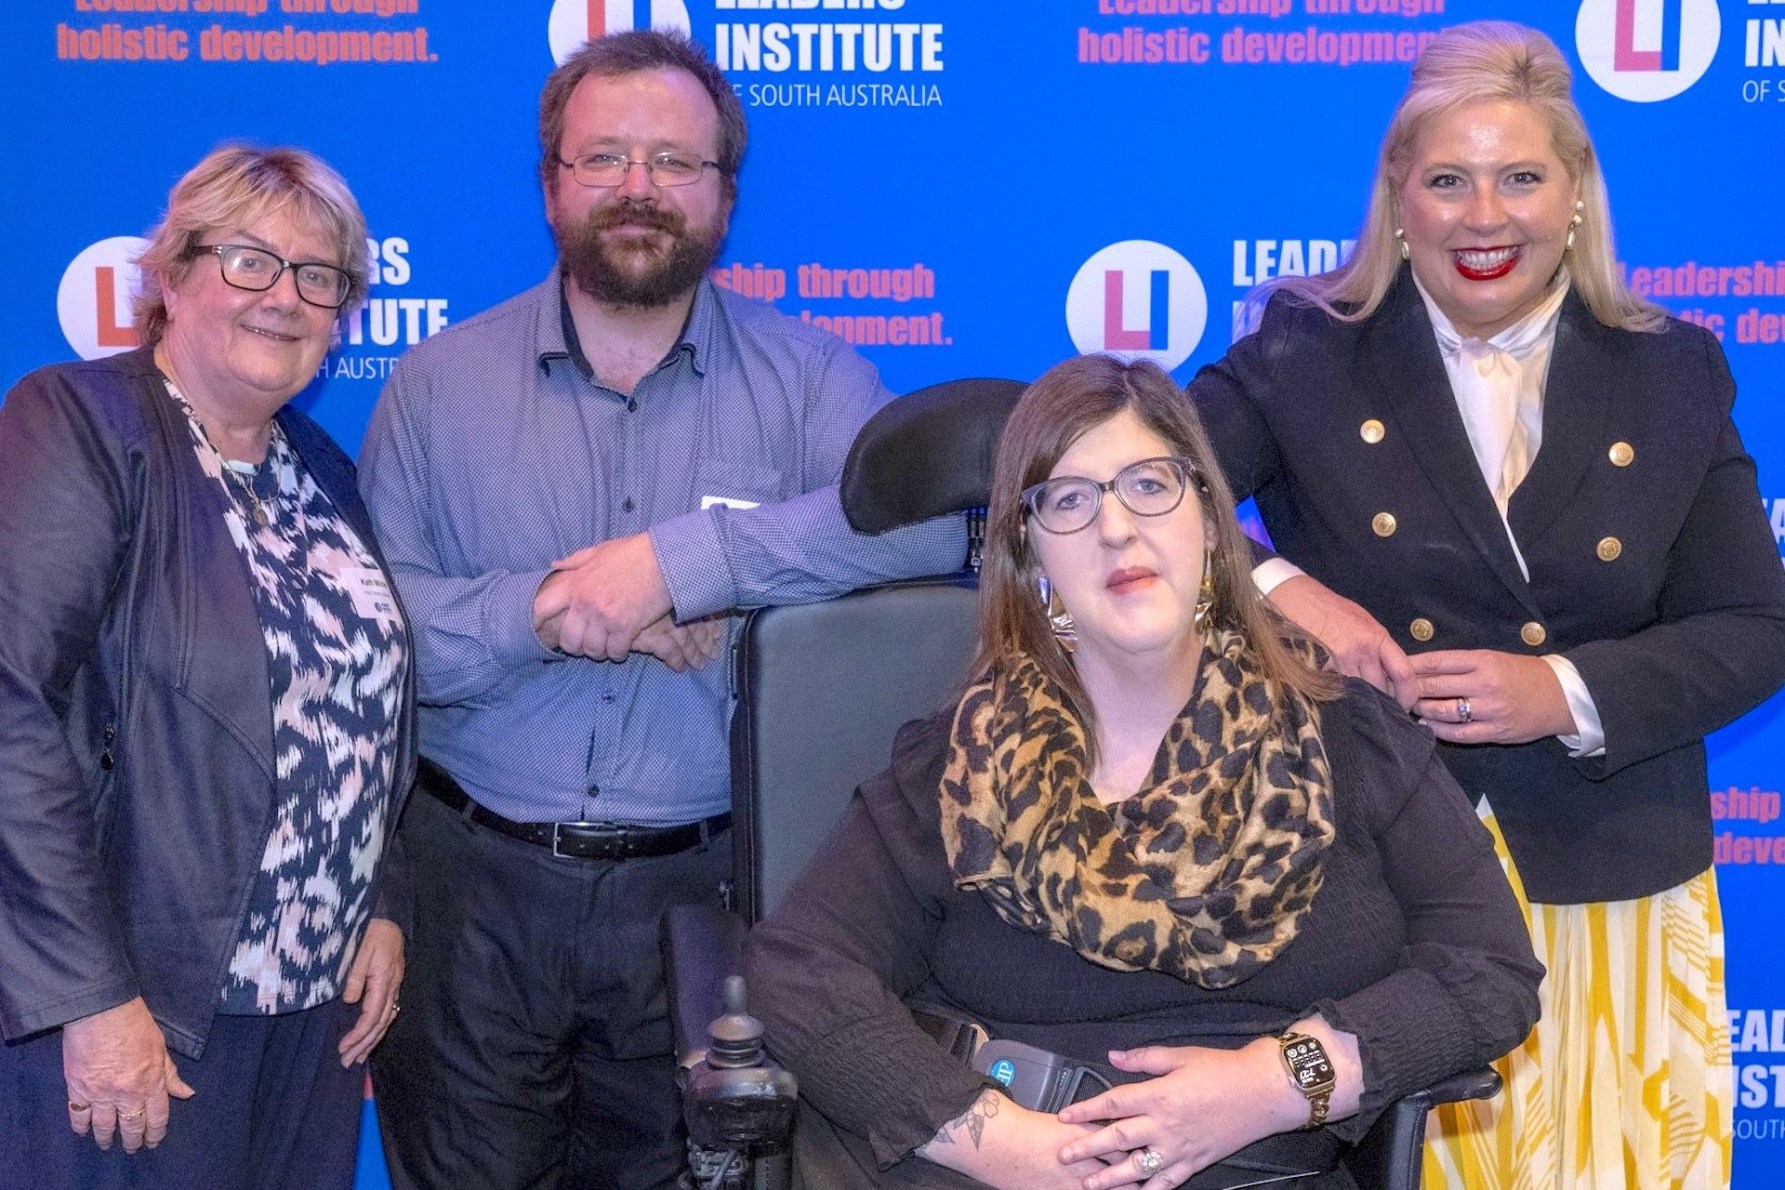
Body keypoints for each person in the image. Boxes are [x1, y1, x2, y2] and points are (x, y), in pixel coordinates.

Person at [358, 27, 964, 1190]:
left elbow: (927, 522)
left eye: (677, 164)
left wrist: (686, 565)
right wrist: (554, 606)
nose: (640, 188)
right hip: (471, 896)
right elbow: (382, 641)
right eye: (606, 159)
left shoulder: (815, 379)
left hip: (711, 898)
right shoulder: (436, 384)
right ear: (551, 186)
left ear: (727, 197)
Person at [1186, 22, 1785, 1190]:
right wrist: (1280, 588)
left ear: (1575, 197)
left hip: (1612, 882)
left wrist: (1560, 688)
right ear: (1398, 199)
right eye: (1447, 180)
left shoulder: (1674, 369)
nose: (1484, 215)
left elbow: (1756, 629)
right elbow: (1128, 487)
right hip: (1372, 881)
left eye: (1522, 177)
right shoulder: (1305, 349)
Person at [743, 353, 1543, 1190]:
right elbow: (798, 969)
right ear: (1029, 553)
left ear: (1207, 515)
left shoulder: (1347, 734)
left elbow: (1488, 970)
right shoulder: (959, 764)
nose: (1116, 528)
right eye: (1070, 500)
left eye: (1149, 485)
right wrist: (997, 1143)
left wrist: (1273, 1085)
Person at [0, 145, 414, 1190]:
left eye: (319, 276)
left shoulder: (321, 469)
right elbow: (10, 706)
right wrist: (87, 995)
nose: (285, 296)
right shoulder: (82, 423)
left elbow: (363, 713)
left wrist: (384, 897)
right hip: (143, 1007)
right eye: (248, 261)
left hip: (312, 1022)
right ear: (173, 274)